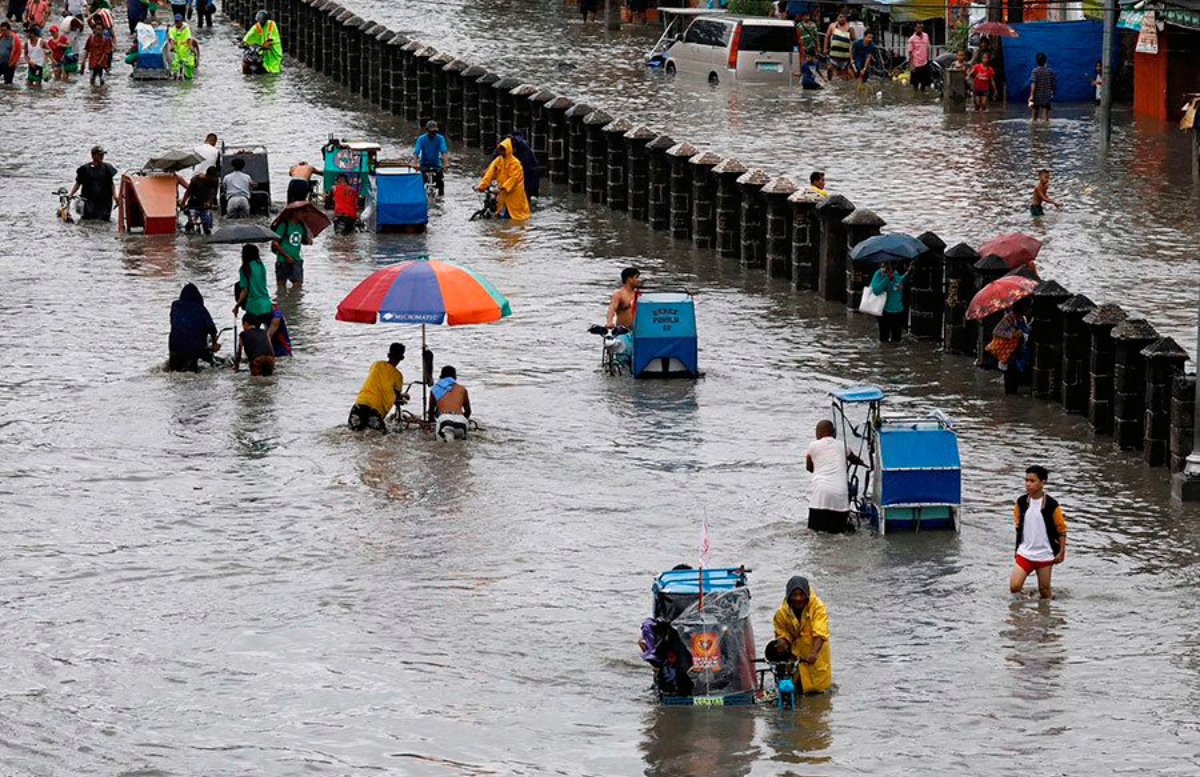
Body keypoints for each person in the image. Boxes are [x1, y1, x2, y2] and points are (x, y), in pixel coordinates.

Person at [1009, 465, 1067, 599]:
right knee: (1014, 587)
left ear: (1043, 482)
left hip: (1045, 554)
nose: (1028, 484)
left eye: (1032, 481)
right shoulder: (1021, 502)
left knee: (1044, 591)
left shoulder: (1052, 505)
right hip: (1024, 552)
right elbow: (1018, 522)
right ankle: (1024, 604)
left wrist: (1061, 551)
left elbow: (1061, 530)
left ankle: (1046, 615)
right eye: (1026, 480)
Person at [772, 576, 831, 694]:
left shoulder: (817, 607)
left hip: (814, 660)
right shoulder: (782, 613)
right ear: (789, 596)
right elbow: (781, 633)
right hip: (795, 662)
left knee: (819, 697)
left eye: (801, 594)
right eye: (794, 595)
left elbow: (820, 632)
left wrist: (814, 653)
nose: (798, 598)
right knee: (793, 693)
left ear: (807, 594)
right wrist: (782, 643)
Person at [805, 420, 865, 534]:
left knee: (816, 533)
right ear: (833, 432)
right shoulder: (843, 445)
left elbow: (809, 468)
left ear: (818, 433)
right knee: (837, 534)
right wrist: (861, 462)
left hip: (820, 495)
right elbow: (854, 459)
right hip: (840, 497)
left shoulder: (813, 446)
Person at [347, 342, 408, 434]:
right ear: (402, 358)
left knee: (353, 434)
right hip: (374, 410)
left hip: (359, 405)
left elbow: (379, 382)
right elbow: (396, 396)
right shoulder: (398, 376)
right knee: (380, 437)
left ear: (388, 354)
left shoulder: (376, 364)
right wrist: (403, 397)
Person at [167, 282, 220, 372]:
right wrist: (215, 343)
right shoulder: (201, 309)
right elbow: (211, 328)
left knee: (175, 372)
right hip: (194, 348)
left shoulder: (175, 306)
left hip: (175, 346)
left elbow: (175, 323)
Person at [475, 138, 529, 221]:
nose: (501, 152)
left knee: (516, 217)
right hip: (502, 195)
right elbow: (489, 174)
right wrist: (481, 186)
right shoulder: (498, 160)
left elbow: (513, 179)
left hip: (514, 195)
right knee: (500, 216)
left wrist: (501, 188)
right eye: (500, 150)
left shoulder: (515, 163)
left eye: (503, 150)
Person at [990, 298, 1031, 395]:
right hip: (1010, 355)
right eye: (1028, 308)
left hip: (1020, 354)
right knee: (1010, 380)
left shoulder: (1023, 319)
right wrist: (1013, 334)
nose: (1030, 310)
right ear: (1022, 308)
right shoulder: (1009, 318)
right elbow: (996, 331)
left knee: (1016, 379)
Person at [69, 146, 118, 220]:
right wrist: (71, 195)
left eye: (103, 155)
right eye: (100, 155)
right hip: (89, 200)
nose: (102, 157)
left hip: (104, 201)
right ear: (93, 155)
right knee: (88, 220)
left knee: (104, 222)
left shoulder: (108, 168)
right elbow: (78, 183)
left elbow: (111, 183)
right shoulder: (84, 169)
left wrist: (115, 195)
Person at [868, 261, 909, 343]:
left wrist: (908, 272)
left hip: (897, 310)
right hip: (884, 311)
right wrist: (887, 279)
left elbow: (900, 281)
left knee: (897, 338)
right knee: (884, 338)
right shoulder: (879, 274)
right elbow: (875, 290)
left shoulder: (896, 273)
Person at [233, 244, 272, 325]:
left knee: (251, 332)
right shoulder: (260, 265)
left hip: (254, 306)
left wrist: (237, 305)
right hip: (266, 304)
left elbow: (245, 290)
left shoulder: (244, 269)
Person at [430, 365, 471, 441]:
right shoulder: (462, 389)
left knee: (443, 449)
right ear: (455, 377)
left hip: (444, 421)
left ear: (441, 376)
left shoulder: (435, 389)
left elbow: (431, 412)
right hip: (461, 421)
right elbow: (468, 411)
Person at [271, 212, 310, 289]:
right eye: (302, 212)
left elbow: (302, 241)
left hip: (296, 259)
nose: (304, 215)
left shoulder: (301, 226)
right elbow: (274, 243)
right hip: (283, 260)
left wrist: (308, 239)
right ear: (295, 213)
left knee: (298, 286)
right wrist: (286, 256)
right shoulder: (284, 225)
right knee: (281, 286)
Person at [179, 164, 218, 234]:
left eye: (216, 177)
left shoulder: (215, 181)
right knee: (192, 222)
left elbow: (213, 192)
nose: (216, 178)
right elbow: (188, 192)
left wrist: (209, 202)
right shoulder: (196, 180)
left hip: (205, 205)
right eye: (214, 177)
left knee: (207, 225)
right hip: (194, 204)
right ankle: (186, 231)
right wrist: (183, 203)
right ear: (208, 176)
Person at [413, 120, 448, 196]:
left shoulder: (440, 138)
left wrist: (446, 164)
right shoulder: (421, 139)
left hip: (436, 164)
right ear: (427, 131)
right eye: (431, 132)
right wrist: (415, 163)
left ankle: (440, 199)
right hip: (424, 164)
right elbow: (416, 152)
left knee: (440, 183)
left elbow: (443, 152)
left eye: (434, 132)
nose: (433, 134)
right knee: (421, 181)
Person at [242, 9, 280, 74]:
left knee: (273, 67)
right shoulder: (258, 25)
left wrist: (267, 42)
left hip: (272, 48)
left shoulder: (271, 24)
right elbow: (251, 32)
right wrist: (244, 41)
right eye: (259, 21)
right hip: (262, 47)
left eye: (261, 21)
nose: (260, 22)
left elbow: (273, 37)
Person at [606, 266, 641, 330]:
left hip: (637, 332)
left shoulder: (638, 294)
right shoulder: (619, 295)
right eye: (637, 277)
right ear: (629, 279)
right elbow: (611, 309)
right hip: (623, 333)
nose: (639, 280)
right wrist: (609, 322)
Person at [81, 16, 112, 85]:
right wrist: (83, 61)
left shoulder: (106, 40)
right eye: (97, 29)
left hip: (102, 63)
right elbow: (87, 50)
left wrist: (100, 62)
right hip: (93, 62)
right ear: (94, 29)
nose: (98, 31)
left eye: (100, 30)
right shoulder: (91, 39)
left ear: (102, 30)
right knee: (92, 80)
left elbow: (106, 53)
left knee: (102, 80)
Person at [165, 12, 196, 79]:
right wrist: (172, 46)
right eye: (176, 21)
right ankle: (175, 77)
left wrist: (191, 47)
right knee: (175, 65)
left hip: (186, 49)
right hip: (177, 50)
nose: (177, 23)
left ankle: (188, 78)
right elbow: (171, 38)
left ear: (181, 21)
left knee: (189, 65)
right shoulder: (172, 29)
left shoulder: (186, 28)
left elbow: (188, 38)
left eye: (178, 21)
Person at [824, 12, 853, 80]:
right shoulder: (832, 26)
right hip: (833, 54)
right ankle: (829, 82)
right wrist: (825, 48)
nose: (842, 19)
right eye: (841, 17)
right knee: (830, 69)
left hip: (845, 56)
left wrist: (852, 55)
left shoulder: (850, 27)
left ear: (846, 18)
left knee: (843, 75)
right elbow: (827, 37)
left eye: (844, 17)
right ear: (837, 18)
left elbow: (853, 41)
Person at [1029, 52, 1055, 121]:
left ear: (1036, 61)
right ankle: (1046, 129)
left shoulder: (1035, 71)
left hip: (1036, 95)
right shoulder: (1050, 71)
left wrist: (1031, 95)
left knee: (1034, 115)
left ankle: (1034, 129)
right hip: (1046, 95)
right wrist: (1052, 92)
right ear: (1045, 61)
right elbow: (1052, 83)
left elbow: (1033, 83)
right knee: (1045, 115)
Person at [907, 22, 931, 93]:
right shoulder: (911, 39)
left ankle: (922, 97)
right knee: (915, 84)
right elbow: (910, 52)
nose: (920, 29)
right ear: (915, 28)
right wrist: (911, 65)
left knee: (924, 83)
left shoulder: (926, 36)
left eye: (921, 27)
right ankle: (916, 98)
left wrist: (928, 59)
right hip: (916, 63)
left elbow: (927, 48)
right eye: (918, 27)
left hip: (925, 63)